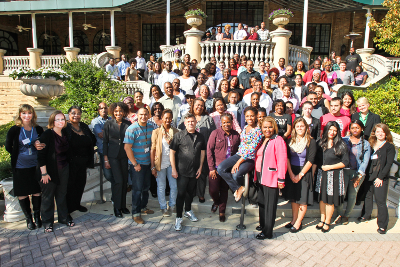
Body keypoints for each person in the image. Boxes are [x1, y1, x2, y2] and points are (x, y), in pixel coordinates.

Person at [5, 104, 44, 230]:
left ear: (33, 114)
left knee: (37, 191)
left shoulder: (37, 129)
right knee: (22, 193)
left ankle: (37, 217)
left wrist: (40, 144)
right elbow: (8, 146)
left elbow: (44, 144)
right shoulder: (14, 130)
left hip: (35, 166)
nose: (27, 116)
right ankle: (29, 219)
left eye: (29, 113)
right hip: (20, 167)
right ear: (20, 115)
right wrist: (19, 154)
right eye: (24, 113)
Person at [38, 110, 74, 233]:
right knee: (48, 197)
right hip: (49, 171)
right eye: (57, 119)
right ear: (52, 121)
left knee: (62, 194)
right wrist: (44, 173)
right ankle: (47, 222)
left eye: (62, 119)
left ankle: (64, 218)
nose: (60, 121)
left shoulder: (65, 133)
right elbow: (41, 155)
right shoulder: (47, 134)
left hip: (64, 169)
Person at [218, 107, 263, 202]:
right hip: (239, 154)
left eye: (252, 116)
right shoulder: (246, 127)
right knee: (220, 168)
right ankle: (238, 188)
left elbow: (251, 150)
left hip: (249, 158)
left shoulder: (258, 131)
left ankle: (241, 190)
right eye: (247, 116)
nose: (249, 118)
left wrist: (238, 162)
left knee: (235, 174)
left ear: (256, 117)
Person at [171, 113, 206, 230]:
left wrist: (200, 167)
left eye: (193, 121)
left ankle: (188, 210)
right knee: (181, 194)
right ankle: (178, 218)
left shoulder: (200, 136)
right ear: (185, 123)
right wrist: (174, 169)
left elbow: (202, 152)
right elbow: (172, 152)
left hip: (195, 171)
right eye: (188, 121)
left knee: (190, 193)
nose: (191, 123)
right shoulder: (178, 136)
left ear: (196, 123)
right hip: (181, 171)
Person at [359, 124, 395, 234]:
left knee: (380, 201)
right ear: (374, 132)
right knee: (367, 197)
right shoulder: (371, 144)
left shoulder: (389, 146)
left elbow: (388, 164)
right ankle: (366, 215)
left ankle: (383, 225)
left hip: (380, 177)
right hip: (369, 174)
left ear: (386, 133)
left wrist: (380, 177)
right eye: (378, 131)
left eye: (382, 132)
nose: (380, 134)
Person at [255, 117, 287, 239]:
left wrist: (281, 179)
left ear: (274, 127)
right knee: (262, 202)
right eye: (265, 127)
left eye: (270, 126)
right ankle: (263, 224)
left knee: (270, 205)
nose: (267, 129)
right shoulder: (262, 139)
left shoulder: (278, 140)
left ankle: (267, 232)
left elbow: (282, 160)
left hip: (271, 176)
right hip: (259, 175)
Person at [178, 98, 216, 202]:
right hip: (187, 151)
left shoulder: (208, 119)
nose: (199, 107)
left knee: (202, 172)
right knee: (189, 173)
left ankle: (200, 194)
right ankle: (191, 193)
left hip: (203, 150)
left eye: (202, 105)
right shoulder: (186, 117)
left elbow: (213, 135)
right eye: (197, 105)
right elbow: (180, 130)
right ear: (193, 105)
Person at [284, 118, 317, 233]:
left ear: (306, 127)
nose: (300, 128)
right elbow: (287, 158)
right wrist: (291, 174)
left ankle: (299, 222)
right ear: (294, 128)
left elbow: (311, 160)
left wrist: (300, 175)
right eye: (297, 126)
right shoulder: (290, 141)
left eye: (302, 126)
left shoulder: (311, 141)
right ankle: (293, 220)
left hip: (304, 172)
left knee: (302, 199)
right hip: (292, 171)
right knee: (294, 198)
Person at [315, 121, 349, 233]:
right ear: (326, 130)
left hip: (333, 175)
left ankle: (327, 222)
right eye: (330, 129)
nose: (332, 132)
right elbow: (316, 160)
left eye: (335, 130)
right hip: (321, 174)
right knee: (321, 199)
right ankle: (322, 219)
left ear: (338, 132)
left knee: (329, 200)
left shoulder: (341, 144)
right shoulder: (320, 143)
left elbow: (345, 162)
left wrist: (330, 167)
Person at [336, 120, 371, 225]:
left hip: (357, 173)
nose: (355, 130)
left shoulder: (366, 144)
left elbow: (365, 161)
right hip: (343, 171)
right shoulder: (344, 140)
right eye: (352, 128)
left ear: (362, 129)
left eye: (357, 128)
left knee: (352, 195)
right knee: (341, 194)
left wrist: (359, 176)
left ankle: (346, 215)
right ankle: (340, 214)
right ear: (349, 129)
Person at [207, 113, 240, 222]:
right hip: (215, 168)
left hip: (228, 169)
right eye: (224, 122)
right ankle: (216, 202)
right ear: (221, 122)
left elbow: (238, 153)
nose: (226, 124)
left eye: (228, 122)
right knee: (213, 190)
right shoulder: (215, 133)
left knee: (224, 190)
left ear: (232, 123)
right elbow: (209, 151)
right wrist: (211, 168)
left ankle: (222, 211)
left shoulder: (236, 135)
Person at [124, 108, 155, 224]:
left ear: (149, 115)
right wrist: (135, 164)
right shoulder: (131, 129)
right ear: (137, 115)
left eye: (146, 114)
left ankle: (143, 207)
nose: (144, 116)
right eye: (141, 114)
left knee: (146, 187)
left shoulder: (151, 127)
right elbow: (127, 148)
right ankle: (136, 213)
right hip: (137, 165)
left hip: (147, 163)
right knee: (137, 190)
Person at [65, 106, 96, 217]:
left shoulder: (83, 126)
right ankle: (67, 209)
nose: (76, 115)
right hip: (70, 162)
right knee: (69, 185)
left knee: (80, 184)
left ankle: (76, 204)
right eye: (73, 113)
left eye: (78, 113)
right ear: (69, 114)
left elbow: (93, 139)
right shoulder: (65, 127)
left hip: (83, 161)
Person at [103, 102, 131, 218]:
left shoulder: (128, 123)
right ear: (112, 112)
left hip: (124, 156)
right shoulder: (108, 123)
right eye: (116, 111)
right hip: (113, 156)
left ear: (124, 111)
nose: (118, 113)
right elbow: (105, 142)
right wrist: (105, 159)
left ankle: (123, 206)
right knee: (118, 181)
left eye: (120, 111)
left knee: (124, 181)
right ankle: (117, 207)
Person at [150, 109, 179, 217]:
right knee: (161, 186)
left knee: (174, 186)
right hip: (160, 164)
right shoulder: (156, 132)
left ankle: (172, 205)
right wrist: (152, 166)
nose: (168, 120)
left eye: (170, 118)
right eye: (166, 118)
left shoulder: (176, 132)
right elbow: (152, 150)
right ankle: (163, 207)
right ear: (162, 118)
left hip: (172, 163)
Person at [90, 103, 114, 185]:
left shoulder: (112, 120)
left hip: (114, 150)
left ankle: (118, 189)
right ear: (98, 110)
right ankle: (117, 186)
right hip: (103, 151)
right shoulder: (95, 121)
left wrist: (106, 133)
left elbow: (119, 133)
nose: (103, 110)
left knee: (117, 173)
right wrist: (112, 133)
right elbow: (101, 135)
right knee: (108, 175)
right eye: (101, 108)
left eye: (105, 108)